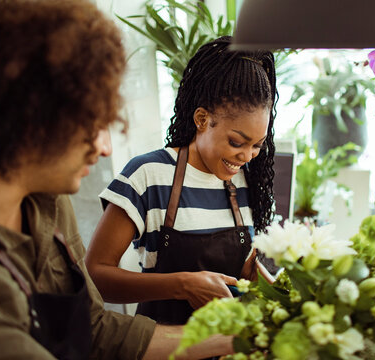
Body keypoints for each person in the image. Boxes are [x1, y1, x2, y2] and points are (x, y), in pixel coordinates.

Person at [0, 0, 232, 359]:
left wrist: (236, 335)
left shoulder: (50, 203)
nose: (105, 147)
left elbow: (96, 330)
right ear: (28, 116)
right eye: (92, 122)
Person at [85, 36, 277, 325]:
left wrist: (260, 284)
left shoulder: (245, 182)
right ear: (201, 119)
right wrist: (181, 285)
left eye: (257, 145)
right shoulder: (148, 175)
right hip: (161, 347)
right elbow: (95, 275)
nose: (247, 156)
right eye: (237, 142)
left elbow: (239, 281)